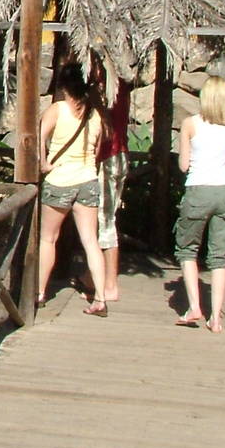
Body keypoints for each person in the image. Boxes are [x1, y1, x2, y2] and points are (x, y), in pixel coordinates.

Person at [173, 74, 225, 333]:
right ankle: (216, 318)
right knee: (219, 255)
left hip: (198, 189)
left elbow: (183, 165)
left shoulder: (190, 124)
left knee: (188, 250)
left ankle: (194, 307)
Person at [36, 61, 107, 316]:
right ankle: (100, 297)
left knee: (48, 238)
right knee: (90, 240)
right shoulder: (94, 114)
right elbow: (97, 151)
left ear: (64, 85)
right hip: (88, 179)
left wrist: (44, 162)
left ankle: (40, 292)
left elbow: (39, 136)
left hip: (61, 179)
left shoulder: (59, 109)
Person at [93, 65, 131, 303]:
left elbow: (104, 130)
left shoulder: (104, 93)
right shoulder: (122, 88)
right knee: (103, 218)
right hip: (120, 155)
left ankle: (110, 284)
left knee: (105, 221)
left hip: (108, 157)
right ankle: (94, 273)